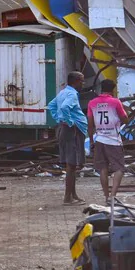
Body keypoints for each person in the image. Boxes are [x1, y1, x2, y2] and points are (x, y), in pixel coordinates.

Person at [48, 72, 88, 205]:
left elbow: (51, 105)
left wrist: (59, 118)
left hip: (68, 130)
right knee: (71, 165)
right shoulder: (71, 94)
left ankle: (73, 194)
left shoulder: (63, 92)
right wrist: (69, 122)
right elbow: (64, 107)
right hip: (73, 131)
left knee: (73, 164)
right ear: (76, 81)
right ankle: (67, 198)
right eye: (82, 81)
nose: (83, 83)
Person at [87, 79, 129, 202]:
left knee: (103, 169)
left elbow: (90, 124)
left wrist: (91, 141)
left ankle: (106, 196)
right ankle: (113, 196)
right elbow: (125, 119)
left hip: (99, 139)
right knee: (119, 168)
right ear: (113, 90)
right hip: (114, 140)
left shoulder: (92, 103)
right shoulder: (115, 102)